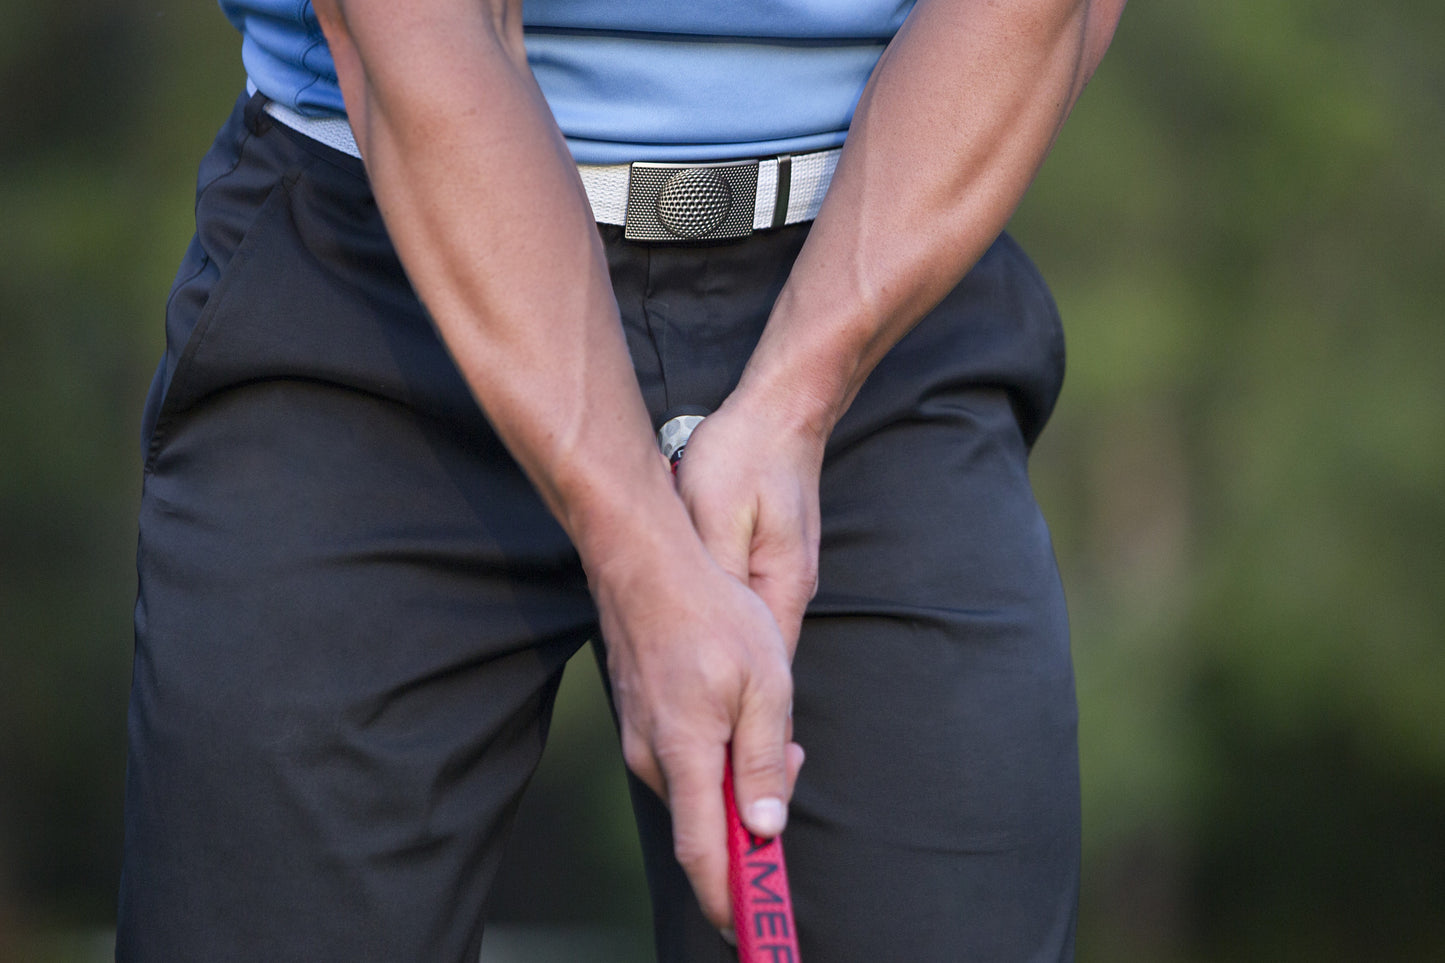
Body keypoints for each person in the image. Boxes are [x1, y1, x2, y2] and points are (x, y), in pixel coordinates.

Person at [117, 0, 1125, 960]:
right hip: (387, 256)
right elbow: (419, 30)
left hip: (883, 255)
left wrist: (796, 398)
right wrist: (633, 537)